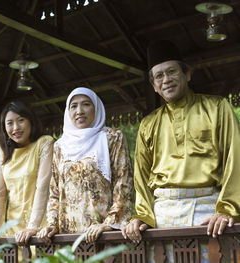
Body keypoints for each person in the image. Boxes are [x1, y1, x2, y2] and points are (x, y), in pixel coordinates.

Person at [121, 40, 240, 262]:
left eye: (171, 72)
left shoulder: (217, 107)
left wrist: (227, 209)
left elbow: (235, 158)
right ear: (154, 86)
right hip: (163, 213)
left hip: (207, 211)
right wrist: (143, 215)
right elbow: (141, 176)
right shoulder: (148, 124)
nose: (166, 79)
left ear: (187, 74)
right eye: (159, 76)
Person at [39, 87, 134, 244]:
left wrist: (108, 224)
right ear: (67, 112)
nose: (79, 111)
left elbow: (123, 184)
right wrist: (52, 224)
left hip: (102, 235)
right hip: (68, 237)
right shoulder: (60, 146)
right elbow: (55, 190)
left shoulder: (113, 138)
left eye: (86, 104)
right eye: (73, 106)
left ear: (96, 108)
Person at [0, 101, 54, 245]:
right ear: (4, 128)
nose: (16, 128)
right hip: (12, 229)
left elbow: (43, 187)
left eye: (21, 120)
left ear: (31, 121)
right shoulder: (4, 152)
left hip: (40, 228)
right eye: (10, 123)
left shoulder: (44, 143)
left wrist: (33, 227)